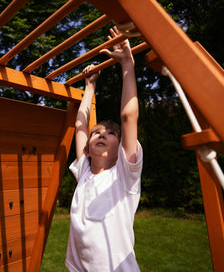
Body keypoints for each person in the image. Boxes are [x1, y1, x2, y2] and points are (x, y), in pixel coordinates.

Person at [65, 27, 143, 271]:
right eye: (97, 132)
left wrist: (127, 65)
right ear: (88, 147)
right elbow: (80, 125)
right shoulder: (84, 172)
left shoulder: (124, 176)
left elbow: (128, 116)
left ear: (120, 147)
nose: (101, 134)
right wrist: (89, 87)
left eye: (111, 134)